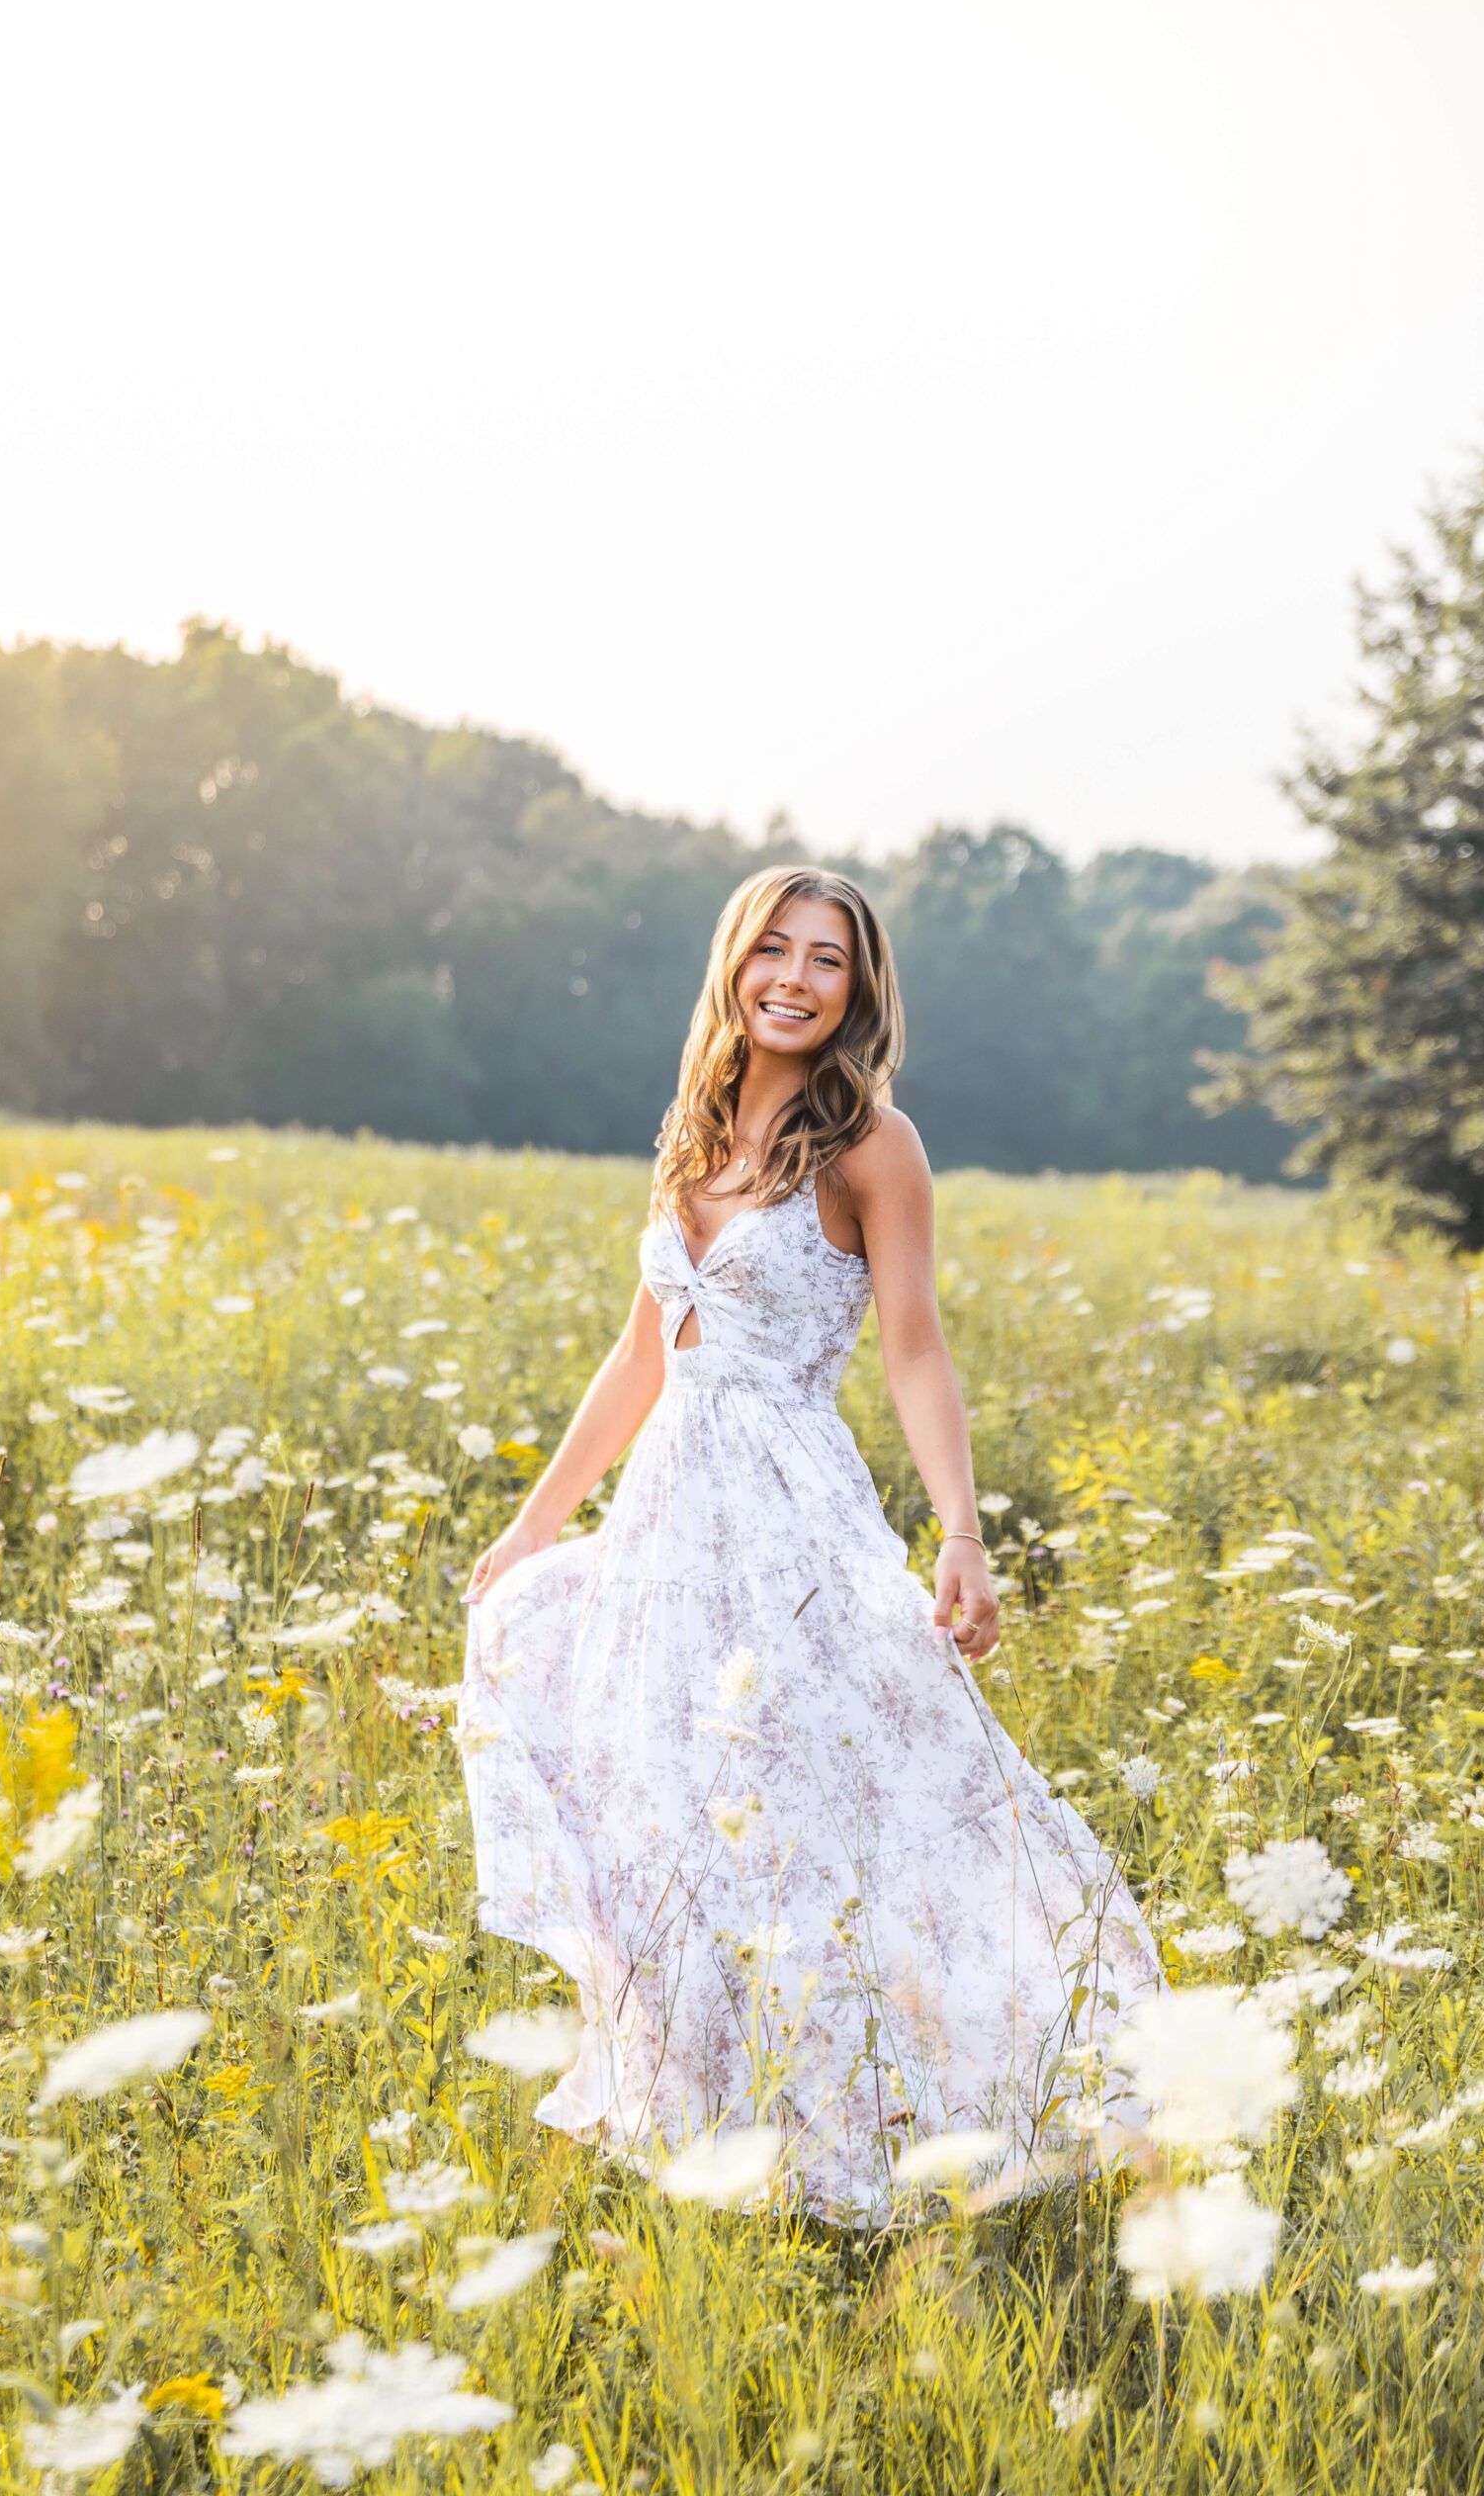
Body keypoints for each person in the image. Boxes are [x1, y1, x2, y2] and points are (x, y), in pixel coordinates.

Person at [456, 863, 1165, 2227]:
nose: (792, 976)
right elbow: (642, 1352)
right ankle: (705, 2130)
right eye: (771, 949)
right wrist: (536, 1520)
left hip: (790, 1520)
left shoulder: (872, 1146)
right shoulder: (692, 1127)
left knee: (831, 1821)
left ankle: (911, 2121)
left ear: (858, 988)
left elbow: (914, 1348)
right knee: (670, 1819)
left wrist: (961, 1533)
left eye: (824, 959)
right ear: (734, 962)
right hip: (669, 1527)